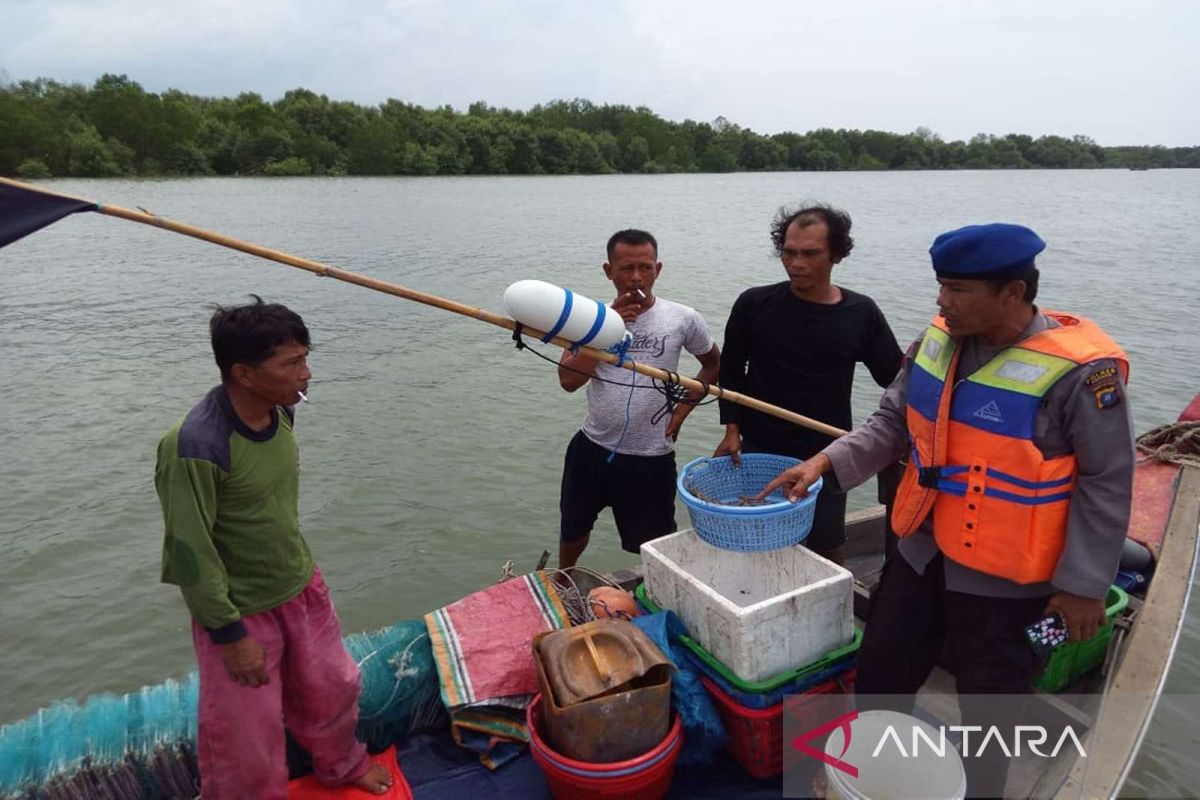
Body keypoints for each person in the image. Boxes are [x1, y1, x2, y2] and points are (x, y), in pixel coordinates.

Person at [760, 223, 1134, 798]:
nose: (941, 301)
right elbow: (890, 423)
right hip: (919, 551)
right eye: (941, 286)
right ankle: (880, 777)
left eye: (957, 289)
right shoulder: (937, 339)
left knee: (993, 713)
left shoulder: (1083, 374)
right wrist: (824, 464)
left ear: (1012, 292)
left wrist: (1084, 586)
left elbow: (1107, 482)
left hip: (1008, 582)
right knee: (883, 677)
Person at [155, 297, 392, 799]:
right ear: (243, 372)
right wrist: (230, 634)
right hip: (242, 610)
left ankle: (342, 763)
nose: (306, 374)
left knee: (334, 688)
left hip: (300, 585)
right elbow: (189, 554)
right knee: (247, 736)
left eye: (305, 358)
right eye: (291, 363)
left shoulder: (281, 413)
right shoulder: (196, 446)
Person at [714, 205, 902, 563]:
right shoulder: (754, 303)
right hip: (760, 446)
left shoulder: (861, 314)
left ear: (836, 254)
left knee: (827, 543)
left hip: (828, 450)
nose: (795, 262)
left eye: (810, 253)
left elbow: (895, 382)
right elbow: (732, 370)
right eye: (789, 251)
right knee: (757, 534)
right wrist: (732, 429)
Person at [557, 229, 721, 569]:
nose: (635, 278)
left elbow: (713, 365)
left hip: (651, 455)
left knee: (654, 543)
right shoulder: (587, 319)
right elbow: (568, 380)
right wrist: (607, 328)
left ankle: (657, 592)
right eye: (626, 268)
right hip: (592, 447)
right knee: (573, 529)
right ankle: (563, 578)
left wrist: (681, 412)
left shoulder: (683, 318)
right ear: (608, 271)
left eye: (645, 268)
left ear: (658, 269)